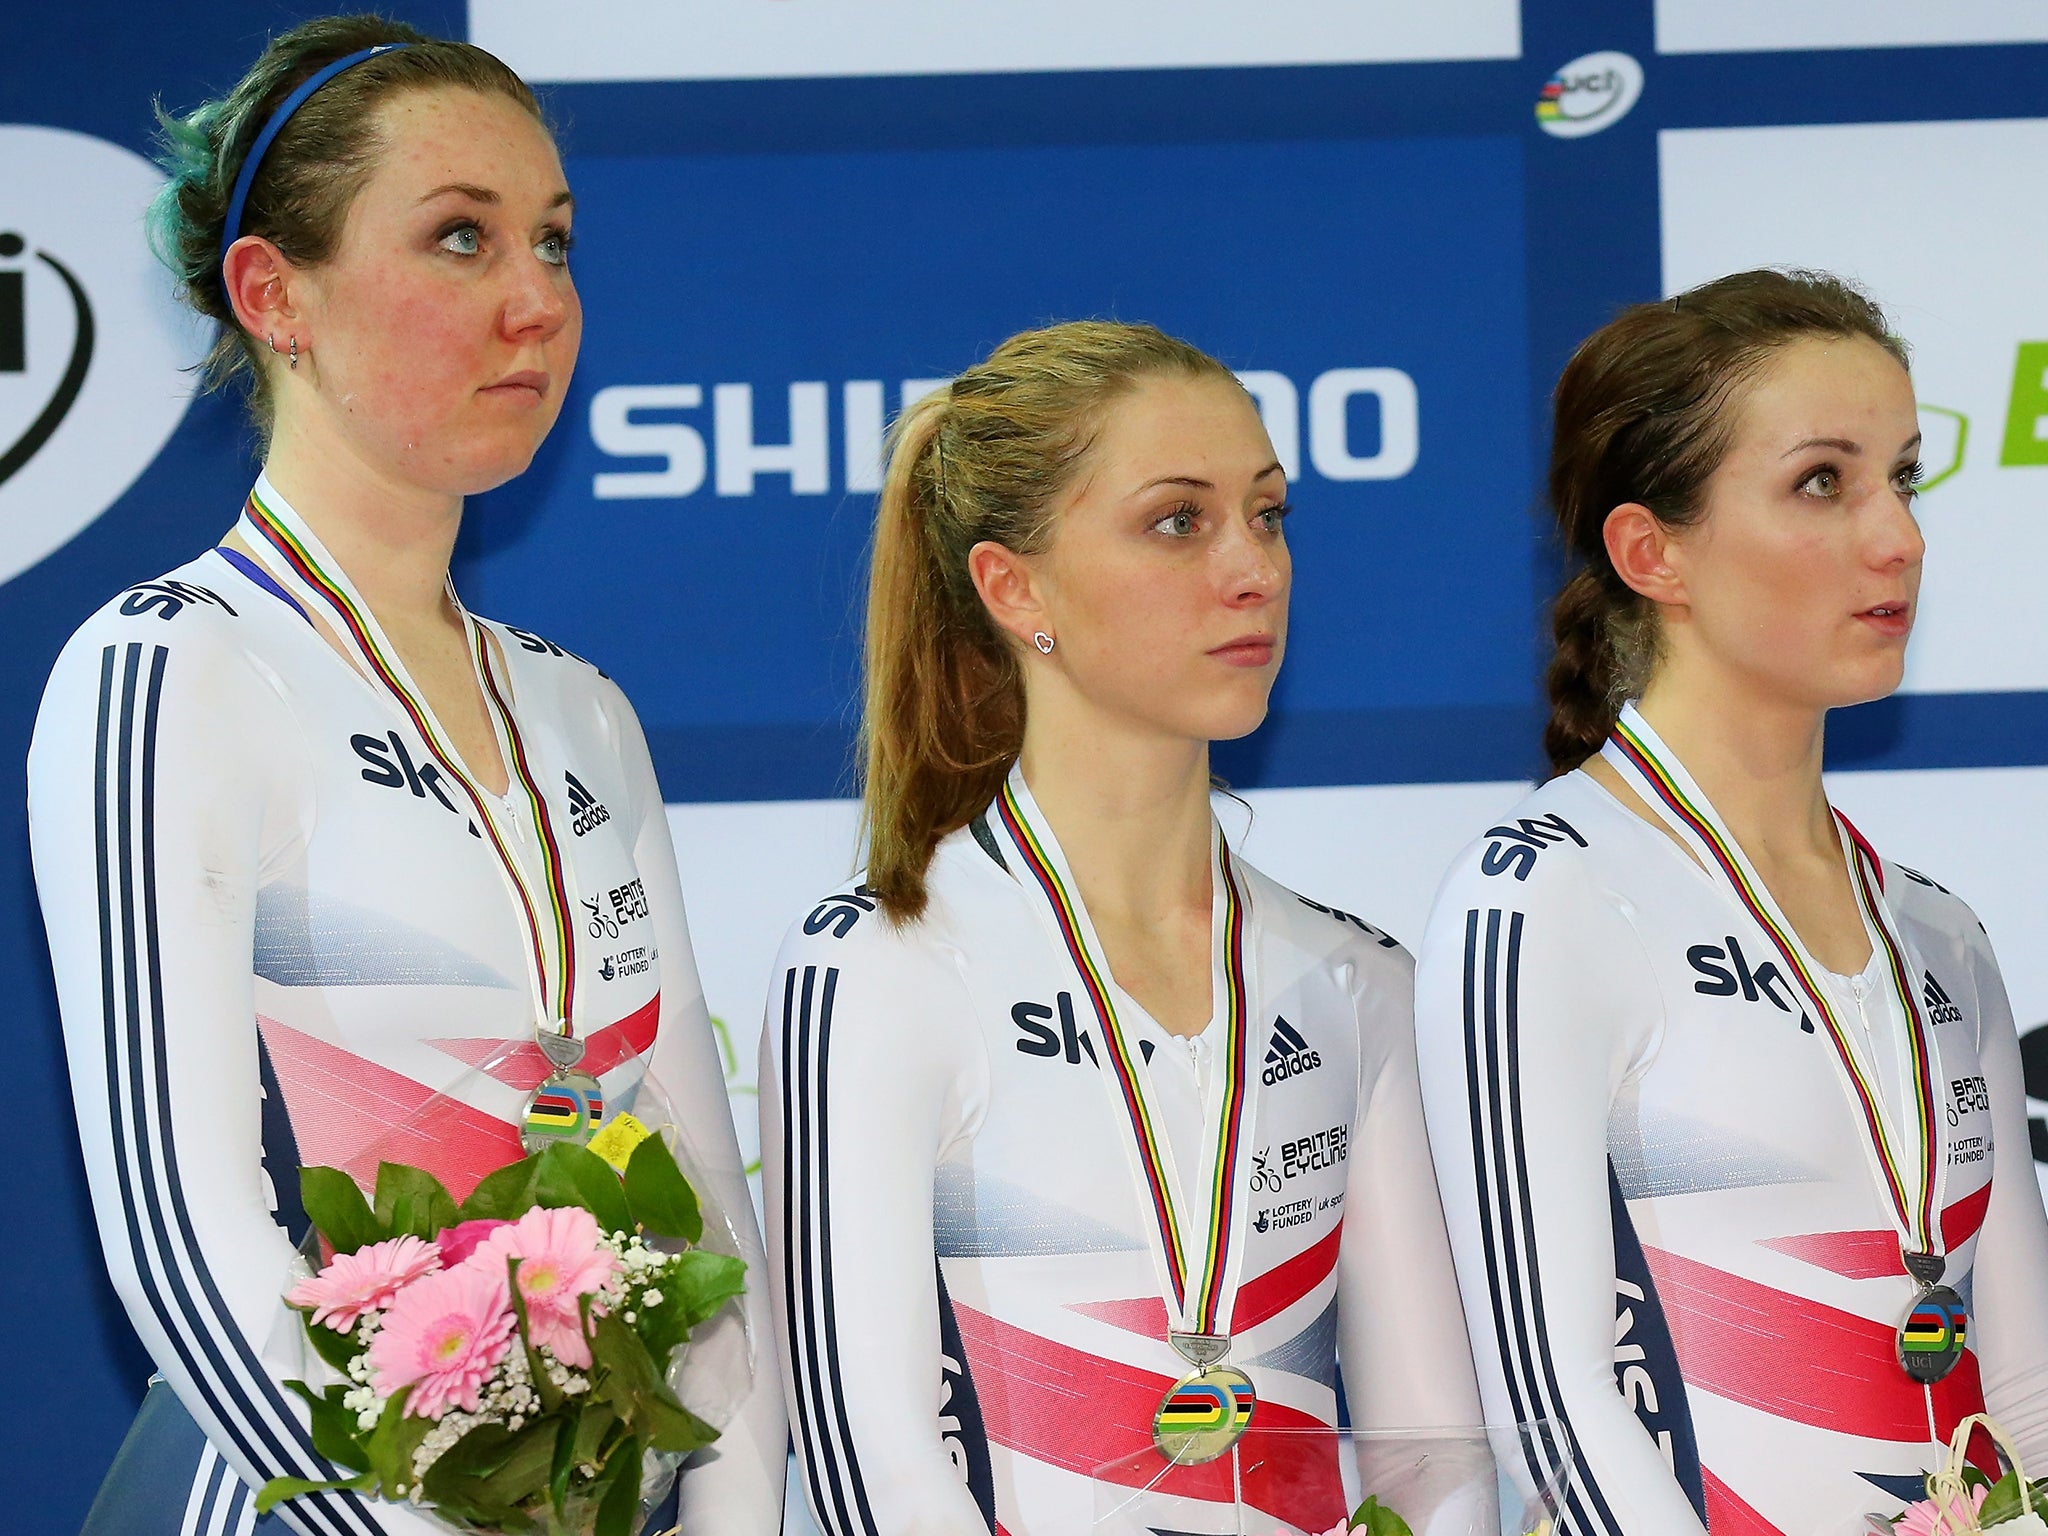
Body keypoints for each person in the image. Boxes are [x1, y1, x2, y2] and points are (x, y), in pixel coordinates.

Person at [27, 18, 784, 1535]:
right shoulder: (170, 670)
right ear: (273, 294)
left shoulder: (587, 716)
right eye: (460, 238)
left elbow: (715, 1237)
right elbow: (185, 1241)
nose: (536, 303)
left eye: (556, 244)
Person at [760, 320, 1481, 1536]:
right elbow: (870, 1474)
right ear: (1013, 586)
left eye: (1267, 513)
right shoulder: (877, 969)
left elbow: (1434, 1465)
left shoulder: (1355, 984)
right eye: (1176, 521)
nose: (1251, 567)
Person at [1414, 270, 2048, 1536]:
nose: (1898, 538)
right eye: (1822, 483)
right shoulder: (1542, 896)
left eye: (1902, 479)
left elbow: (2023, 1393)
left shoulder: (1938, 933)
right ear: (1652, 552)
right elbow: (1546, 1407)